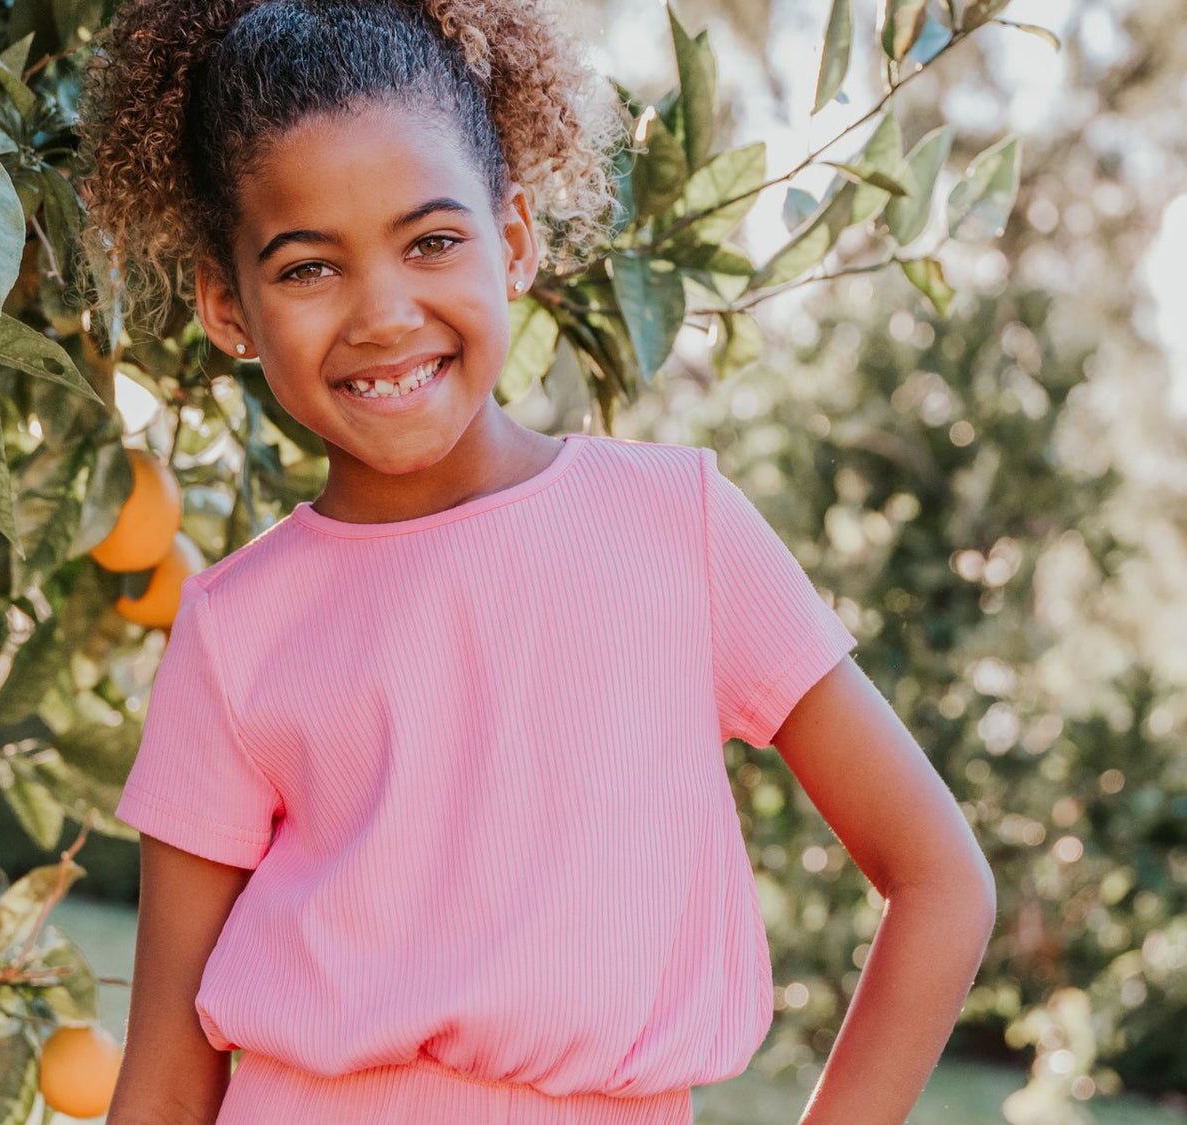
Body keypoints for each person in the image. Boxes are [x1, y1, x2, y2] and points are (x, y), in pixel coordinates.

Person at [76, 2, 998, 1122]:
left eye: (432, 242)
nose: (382, 314)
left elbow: (941, 883)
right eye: (309, 267)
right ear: (229, 307)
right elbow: (167, 1080)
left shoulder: (679, 526)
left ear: (512, 241)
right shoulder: (232, 627)